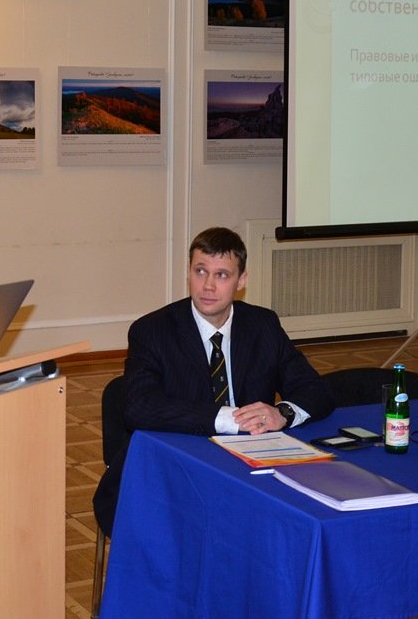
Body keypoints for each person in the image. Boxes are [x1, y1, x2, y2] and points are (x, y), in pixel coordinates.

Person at [92, 226, 334, 535]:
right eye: (200, 271)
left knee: (294, 519)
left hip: (250, 470)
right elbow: (138, 407)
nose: (208, 285)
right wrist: (231, 418)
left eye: (222, 275)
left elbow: (316, 390)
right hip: (178, 471)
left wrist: (282, 413)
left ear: (241, 281)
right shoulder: (152, 331)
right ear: (188, 272)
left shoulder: (263, 325)